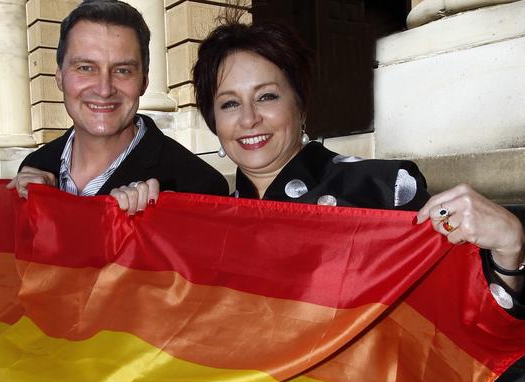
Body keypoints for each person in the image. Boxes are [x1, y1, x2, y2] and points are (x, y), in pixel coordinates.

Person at [191, 20, 524, 314]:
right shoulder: (204, 224)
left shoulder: (379, 189)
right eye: (230, 103)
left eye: (267, 97)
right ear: (214, 121)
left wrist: (509, 251)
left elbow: (464, 321)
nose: (249, 118)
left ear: (301, 104)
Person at [0, 0, 228, 214]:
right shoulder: (35, 165)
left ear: (144, 80)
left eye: (123, 70)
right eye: (85, 68)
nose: (104, 89)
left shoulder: (199, 186)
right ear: (60, 77)